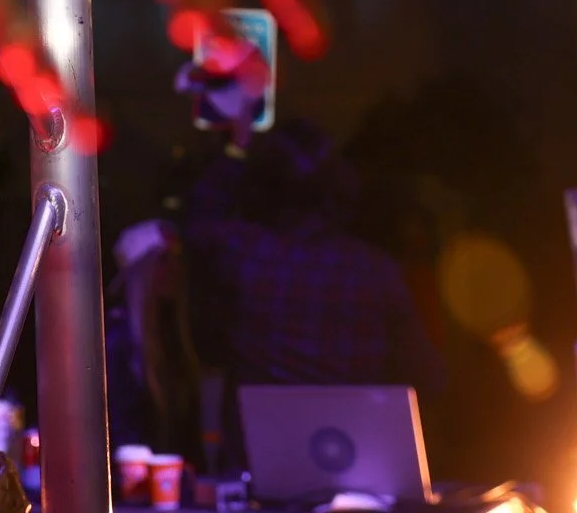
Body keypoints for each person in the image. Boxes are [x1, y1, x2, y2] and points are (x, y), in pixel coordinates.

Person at [179, 118, 446, 441]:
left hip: (263, 462)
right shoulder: (375, 272)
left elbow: (198, 222)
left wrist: (238, 146)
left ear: (262, 191)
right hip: (359, 461)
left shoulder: (244, 255)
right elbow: (429, 377)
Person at [105, 219, 204, 461]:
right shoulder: (117, 341)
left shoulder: (176, 337)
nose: (174, 269)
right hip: (131, 485)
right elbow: (119, 432)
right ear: (141, 272)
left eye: (176, 259)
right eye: (162, 260)